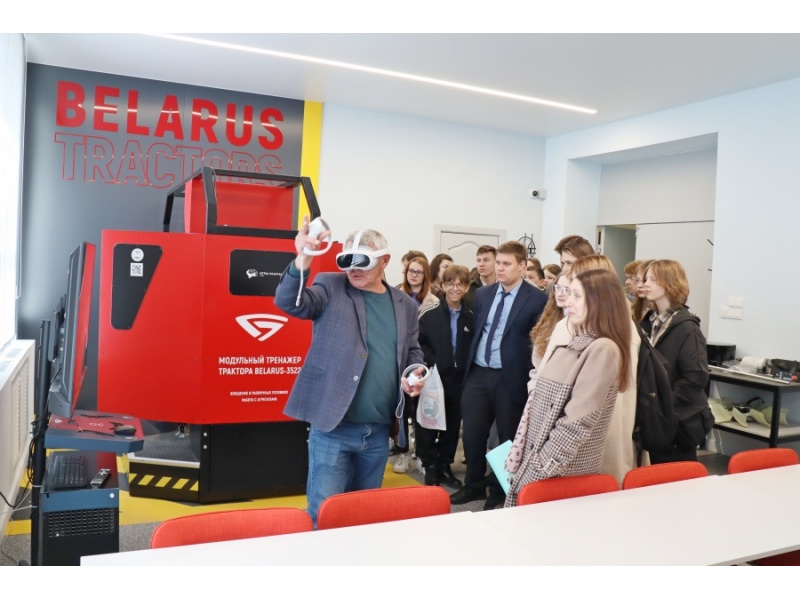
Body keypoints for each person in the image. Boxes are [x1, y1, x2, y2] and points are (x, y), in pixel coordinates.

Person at [274, 218, 425, 526]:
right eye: (347, 262)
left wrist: (414, 373)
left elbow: (412, 350)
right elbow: (289, 302)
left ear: (385, 261)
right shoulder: (331, 286)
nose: (353, 270)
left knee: (364, 515)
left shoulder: (404, 305)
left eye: (362, 262)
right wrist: (303, 257)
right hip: (334, 428)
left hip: (379, 430)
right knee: (324, 514)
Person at [504, 269, 632, 507]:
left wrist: (537, 469)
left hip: (562, 472)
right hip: (545, 463)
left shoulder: (602, 349)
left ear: (600, 302)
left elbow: (575, 424)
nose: (568, 300)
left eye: (577, 295)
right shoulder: (578, 341)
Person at [450, 241, 547, 510]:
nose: (500, 268)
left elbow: (538, 341)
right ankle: (473, 485)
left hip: (510, 377)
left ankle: (500, 488)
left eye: (506, 264)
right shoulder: (483, 294)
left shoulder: (537, 298)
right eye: (498, 263)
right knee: (472, 434)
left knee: (507, 437)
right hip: (478, 373)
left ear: (522, 266)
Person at [531, 255, 642, 482]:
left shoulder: (604, 341)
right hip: (577, 435)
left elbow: (582, 415)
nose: (568, 298)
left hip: (586, 440)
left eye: (576, 291)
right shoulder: (579, 325)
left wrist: (541, 464)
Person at [640, 259, 712, 464]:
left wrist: (665, 405)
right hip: (655, 420)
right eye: (646, 279)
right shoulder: (649, 322)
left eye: (653, 279)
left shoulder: (687, 327)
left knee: (676, 477)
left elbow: (696, 377)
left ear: (670, 284)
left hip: (677, 422)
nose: (646, 284)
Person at [415, 264, 474, 488]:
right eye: (450, 283)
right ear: (443, 285)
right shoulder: (429, 315)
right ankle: (430, 466)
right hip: (434, 377)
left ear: (467, 287)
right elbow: (419, 344)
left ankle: (444, 465)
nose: (455, 288)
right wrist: (434, 362)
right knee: (429, 423)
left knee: (451, 425)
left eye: (460, 284)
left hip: (458, 381)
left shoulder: (470, 317)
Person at [394, 254, 440, 473]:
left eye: (418, 272)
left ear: (425, 275)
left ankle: (422, 454)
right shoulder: (395, 294)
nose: (414, 275)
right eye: (411, 271)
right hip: (399, 359)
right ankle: (402, 452)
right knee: (401, 410)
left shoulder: (434, 300)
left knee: (422, 411)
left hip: (424, 361)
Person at [463, 245, 496, 311]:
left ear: (496, 262)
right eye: (478, 260)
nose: (481, 264)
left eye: (486, 260)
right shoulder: (468, 289)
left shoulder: (504, 287)